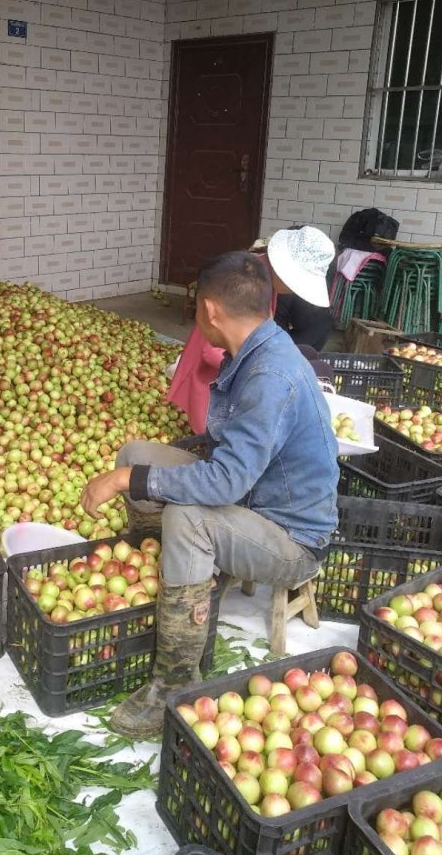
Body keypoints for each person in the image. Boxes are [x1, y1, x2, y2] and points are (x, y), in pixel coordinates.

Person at [80, 252, 339, 738]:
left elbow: (224, 484)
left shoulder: (271, 375)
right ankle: (169, 577)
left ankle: (175, 683)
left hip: (291, 540)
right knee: (136, 452)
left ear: (209, 310)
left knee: (186, 517)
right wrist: (134, 470)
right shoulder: (260, 347)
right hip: (253, 503)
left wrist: (127, 482)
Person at [167, 226, 335, 433]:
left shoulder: (262, 276)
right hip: (217, 357)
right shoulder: (246, 284)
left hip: (228, 355)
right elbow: (213, 350)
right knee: (208, 419)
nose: (294, 291)